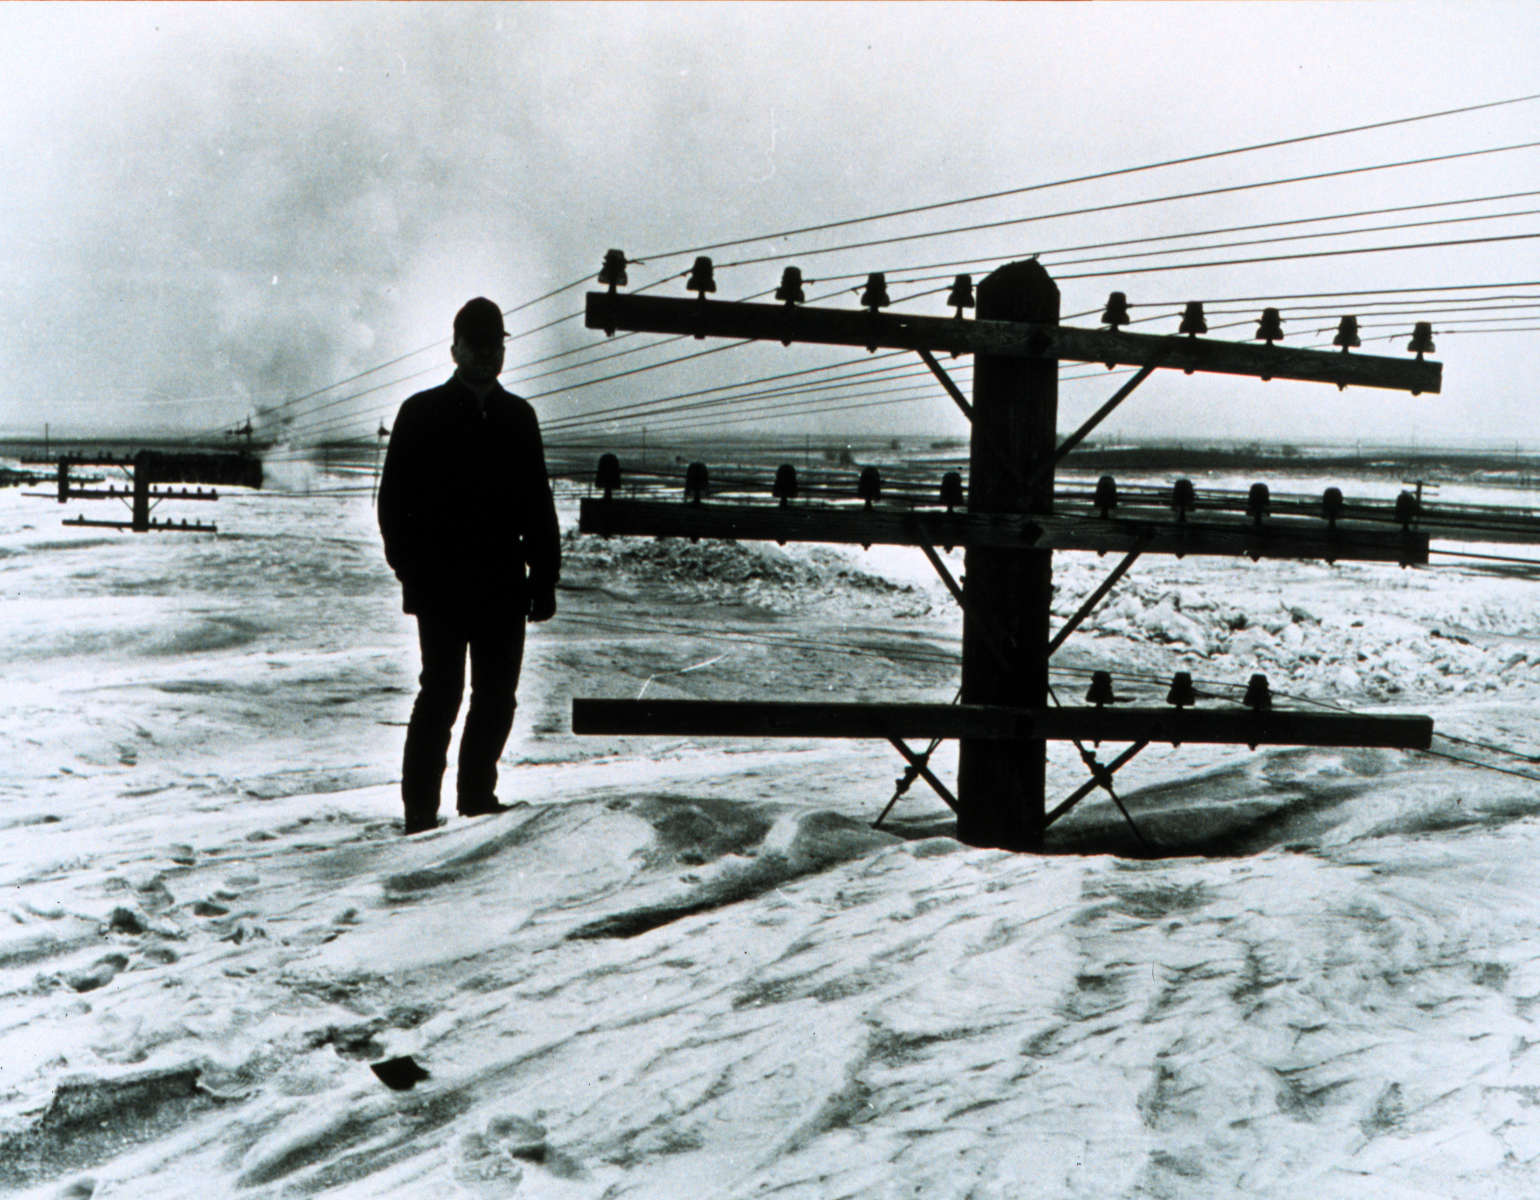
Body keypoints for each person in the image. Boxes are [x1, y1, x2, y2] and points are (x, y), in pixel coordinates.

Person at [377, 297, 560, 835]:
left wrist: (543, 577)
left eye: (494, 345)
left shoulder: (519, 418)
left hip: (504, 586)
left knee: (496, 697)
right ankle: (419, 815)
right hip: (443, 588)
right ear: (454, 348)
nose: (486, 354)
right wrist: (414, 573)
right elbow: (394, 507)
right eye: (476, 345)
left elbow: (537, 503)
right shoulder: (421, 413)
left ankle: (477, 798)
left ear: (502, 350)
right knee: (442, 695)